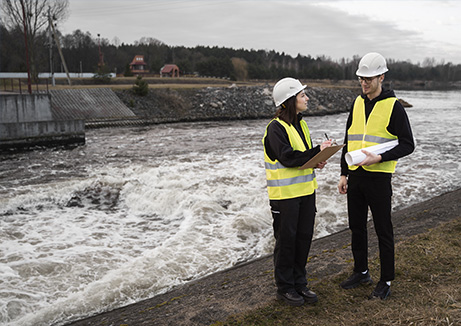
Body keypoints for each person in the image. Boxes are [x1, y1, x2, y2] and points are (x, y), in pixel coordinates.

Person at [337, 52, 415, 300]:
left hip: (379, 178)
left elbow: (408, 144)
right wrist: (343, 173)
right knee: (356, 227)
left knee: (383, 230)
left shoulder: (394, 107)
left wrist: (380, 158)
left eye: (369, 78)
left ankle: (386, 280)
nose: (364, 83)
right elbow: (349, 138)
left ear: (382, 76)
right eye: (361, 78)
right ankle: (361, 271)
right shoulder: (357, 103)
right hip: (356, 176)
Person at [262, 77, 332, 306]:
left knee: (303, 239)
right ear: (290, 101)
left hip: (306, 193)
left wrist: (317, 159)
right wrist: (314, 153)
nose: (307, 98)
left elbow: (302, 158)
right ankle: (285, 288)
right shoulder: (275, 128)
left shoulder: (301, 124)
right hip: (285, 198)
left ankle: (300, 283)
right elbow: (288, 157)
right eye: (302, 95)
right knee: (286, 241)